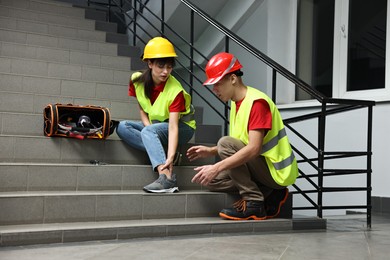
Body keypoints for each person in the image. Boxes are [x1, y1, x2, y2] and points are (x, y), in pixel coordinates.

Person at [186, 52, 298, 220]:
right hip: (261, 168)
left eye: (217, 83)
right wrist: (211, 151)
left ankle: (254, 202)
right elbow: (242, 142)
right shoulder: (236, 103)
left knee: (224, 145)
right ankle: (268, 191)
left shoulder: (257, 103)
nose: (214, 90)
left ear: (232, 79)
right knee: (211, 181)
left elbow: (253, 148)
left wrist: (217, 166)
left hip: (276, 171)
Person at [117, 37, 196, 193]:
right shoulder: (136, 81)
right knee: (122, 127)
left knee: (149, 131)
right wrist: (149, 127)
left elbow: (173, 127)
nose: (165, 71)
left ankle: (166, 177)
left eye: (169, 67)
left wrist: (170, 157)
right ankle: (158, 147)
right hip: (158, 127)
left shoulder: (175, 91)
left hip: (183, 128)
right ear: (150, 63)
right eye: (161, 66)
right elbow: (142, 109)